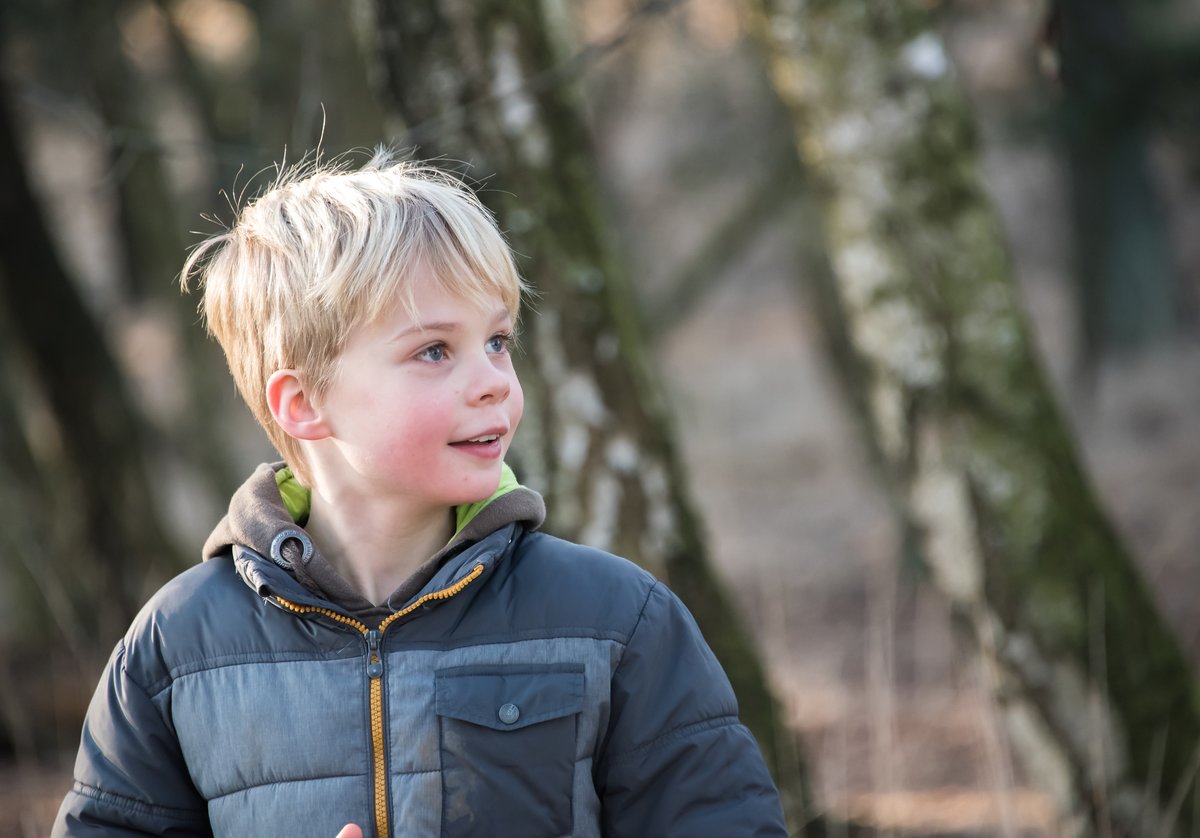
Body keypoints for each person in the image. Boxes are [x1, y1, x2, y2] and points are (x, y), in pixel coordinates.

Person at [52, 152, 788, 837]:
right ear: (304, 403)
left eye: (498, 340)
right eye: (434, 350)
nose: (494, 379)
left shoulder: (615, 620)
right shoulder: (178, 648)